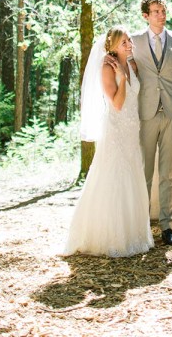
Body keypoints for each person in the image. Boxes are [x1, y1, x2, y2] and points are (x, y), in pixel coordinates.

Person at [63, 26, 154, 257]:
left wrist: (129, 71)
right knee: (114, 177)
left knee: (132, 175)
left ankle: (134, 235)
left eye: (129, 41)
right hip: (116, 130)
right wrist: (122, 79)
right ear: (112, 46)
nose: (129, 45)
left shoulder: (130, 63)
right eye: (123, 42)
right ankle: (111, 238)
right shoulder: (107, 68)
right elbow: (117, 103)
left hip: (132, 129)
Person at [131, 0, 172, 246]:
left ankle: (167, 227)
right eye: (155, 11)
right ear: (145, 15)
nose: (161, 15)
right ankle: (142, 225)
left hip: (170, 113)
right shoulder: (133, 41)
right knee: (144, 173)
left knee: (167, 173)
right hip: (144, 114)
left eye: (163, 11)